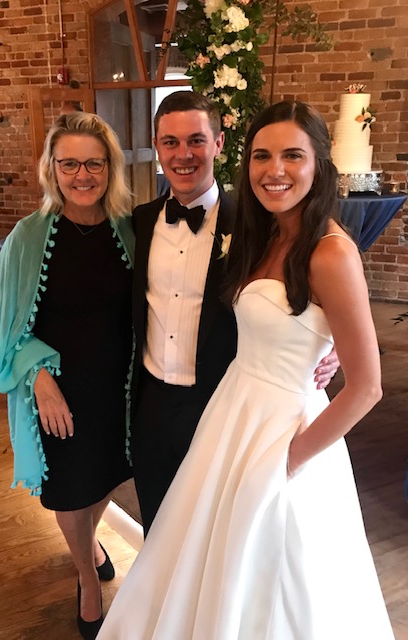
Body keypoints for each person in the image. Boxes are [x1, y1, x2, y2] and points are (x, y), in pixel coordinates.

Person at [96, 101, 394, 639]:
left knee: (277, 565)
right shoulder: (263, 233)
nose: (274, 170)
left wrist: (287, 458)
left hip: (284, 432)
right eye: (262, 156)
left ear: (319, 164)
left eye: (292, 156)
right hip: (230, 411)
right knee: (203, 548)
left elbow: (367, 385)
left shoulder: (330, 253)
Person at [129, 90, 339, 534]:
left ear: (219, 144)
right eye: (170, 142)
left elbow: (307, 285)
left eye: (196, 140)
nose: (183, 155)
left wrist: (333, 344)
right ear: (156, 146)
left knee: (210, 534)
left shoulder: (257, 222)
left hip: (219, 405)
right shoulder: (141, 220)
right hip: (150, 403)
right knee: (156, 528)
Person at [0, 112, 134, 640]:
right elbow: (5, 338)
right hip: (59, 392)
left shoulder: (128, 229)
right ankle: (87, 579)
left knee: (103, 476)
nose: (82, 174)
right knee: (69, 489)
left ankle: (90, 542)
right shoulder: (26, 240)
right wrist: (40, 378)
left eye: (94, 162)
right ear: (51, 168)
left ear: (110, 167)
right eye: (69, 163)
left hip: (118, 388)